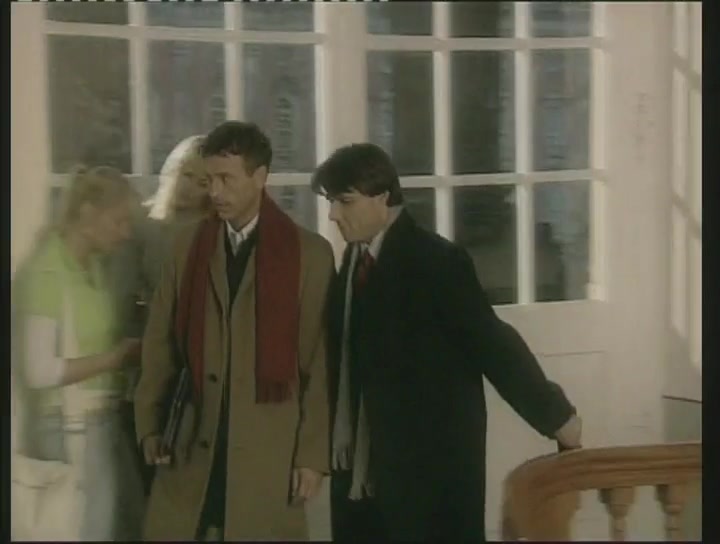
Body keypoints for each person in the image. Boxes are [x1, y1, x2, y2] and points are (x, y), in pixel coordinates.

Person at [311, 143, 583, 541]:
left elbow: (493, 343)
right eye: (331, 202)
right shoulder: (354, 261)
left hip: (428, 477)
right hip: (365, 476)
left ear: (383, 197)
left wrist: (557, 418)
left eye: (345, 201)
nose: (334, 214)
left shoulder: (437, 261)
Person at [134, 121, 335, 541]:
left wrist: (312, 456)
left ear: (260, 177)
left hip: (269, 444)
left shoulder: (310, 255)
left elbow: (318, 364)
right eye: (210, 180)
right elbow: (159, 343)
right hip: (191, 436)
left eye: (227, 179)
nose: (215, 192)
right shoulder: (186, 246)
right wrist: (149, 422)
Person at [12, 165, 146, 540]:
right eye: (119, 221)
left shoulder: (93, 268)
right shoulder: (48, 272)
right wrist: (115, 358)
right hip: (68, 428)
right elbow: (39, 370)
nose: (126, 233)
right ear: (88, 213)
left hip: (98, 423)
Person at [107, 135, 212, 493]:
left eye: (202, 182)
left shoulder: (213, 230)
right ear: (170, 170)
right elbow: (117, 299)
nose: (189, 188)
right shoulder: (139, 226)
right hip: (144, 363)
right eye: (186, 174)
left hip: (198, 368)